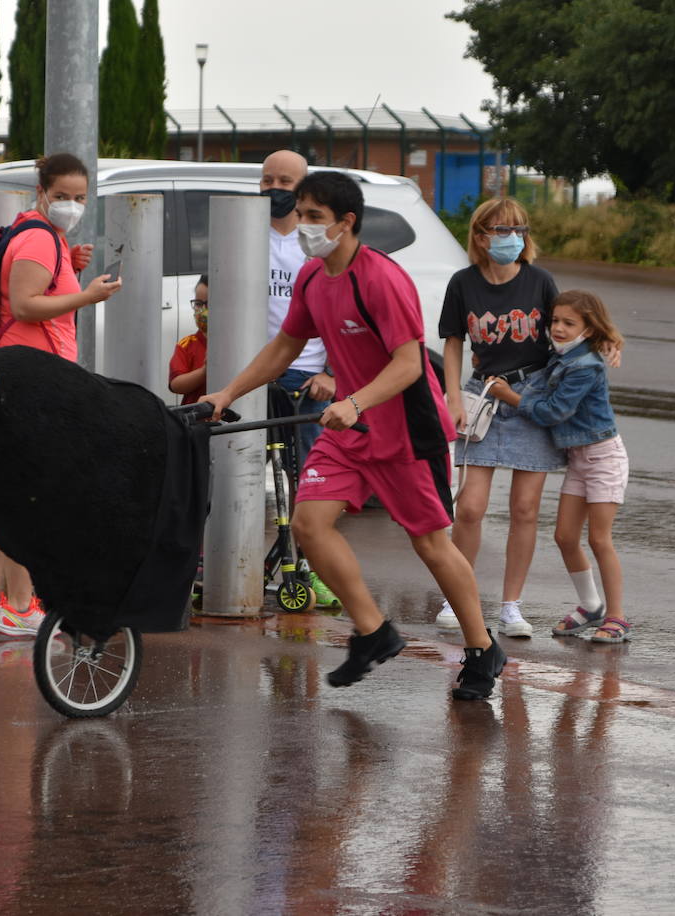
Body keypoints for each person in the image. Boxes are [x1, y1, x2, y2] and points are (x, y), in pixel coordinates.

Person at [200, 171, 508, 700]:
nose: (303, 227)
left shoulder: (382, 279)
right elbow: (285, 347)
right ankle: (373, 631)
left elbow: (410, 364)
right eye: (301, 215)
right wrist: (227, 394)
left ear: (347, 223)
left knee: (430, 544)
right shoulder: (313, 279)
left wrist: (353, 400)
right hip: (349, 430)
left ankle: (482, 648)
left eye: (315, 217)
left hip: (406, 431)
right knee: (308, 524)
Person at [0, 152, 123, 638]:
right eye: (62, 196)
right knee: (28, 499)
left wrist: (67, 266)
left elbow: (31, 291)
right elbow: (28, 306)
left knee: (1, 495)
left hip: (16, 375)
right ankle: (21, 606)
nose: (71, 205)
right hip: (31, 380)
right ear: (41, 193)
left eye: (79, 198)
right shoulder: (37, 237)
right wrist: (87, 295)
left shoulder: (41, 236)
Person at [437, 196, 618, 638]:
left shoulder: (539, 280)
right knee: (472, 507)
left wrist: (606, 343)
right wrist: (452, 395)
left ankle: (510, 607)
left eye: (518, 229)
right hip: (484, 395)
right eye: (502, 230)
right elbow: (454, 341)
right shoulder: (463, 283)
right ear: (481, 235)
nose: (512, 238)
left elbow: (569, 325)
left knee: (524, 509)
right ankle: (455, 597)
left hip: (534, 393)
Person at [485, 290, 631, 643]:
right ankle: (590, 605)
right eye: (555, 322)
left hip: (603, 458)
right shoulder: (563, 356)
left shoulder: (586, 366)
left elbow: (553, 412)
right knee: (564, 536)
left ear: (588, 327)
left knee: (599, 538)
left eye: (569, 323)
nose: (559, 329)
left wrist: (510, 397)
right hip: (578, 459)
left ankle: (617, 617)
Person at [259, 149, 341, 607]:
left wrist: (330, 371)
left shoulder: (312, 244)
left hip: (308, 378)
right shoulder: (245, 237)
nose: (274, 188)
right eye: (267, 179)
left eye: (285, 181)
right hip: (256, 376)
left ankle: (311, 571)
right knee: (238, 475)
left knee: (310, 480)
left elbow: (335, 309)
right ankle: (231, 564)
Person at [168, 276, 208, 405]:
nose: (202, 310)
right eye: (198, 304)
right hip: (197, 420)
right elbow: (176, 385)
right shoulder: (187, 345)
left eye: (209, 303)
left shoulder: (242, 343)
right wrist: (204, 371)